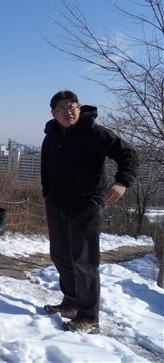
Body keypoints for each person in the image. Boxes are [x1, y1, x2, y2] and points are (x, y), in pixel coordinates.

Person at [42, 90, 137, 334]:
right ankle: (71, 302)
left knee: (84, 261)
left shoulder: (95, 132)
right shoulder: (51, 135)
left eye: (72, 106)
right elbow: (46, 168)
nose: (68, 111)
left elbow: (128, 154)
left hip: (87, 204)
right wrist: (48, 195)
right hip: (58, 204)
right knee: (61, 255)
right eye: (62, 108)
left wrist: (122, 182)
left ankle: (88, 317)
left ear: (80, 107)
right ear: (54, 113)